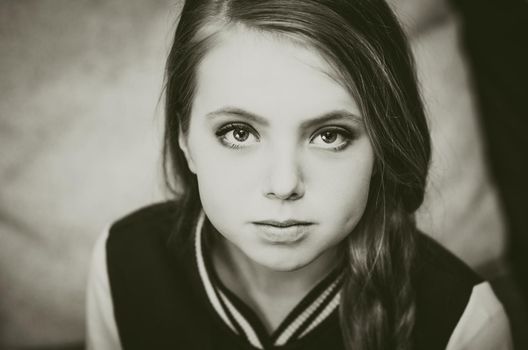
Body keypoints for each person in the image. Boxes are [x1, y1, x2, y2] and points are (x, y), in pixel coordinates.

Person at [86, 0, 513, 349]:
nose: (284, 184)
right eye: (239, 132)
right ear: (185, 137)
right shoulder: (124, 264)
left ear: (382, 144)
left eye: (330, 135)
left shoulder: (464, 322)